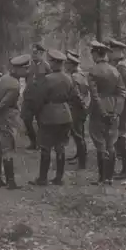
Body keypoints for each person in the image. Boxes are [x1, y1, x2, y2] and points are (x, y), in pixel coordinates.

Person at [29, 49, 84, 186]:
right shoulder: (69, 78)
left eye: (51, 61)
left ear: (53, 63)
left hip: (49, 115)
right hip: (65, 115)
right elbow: (76, 97)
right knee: (60, 147)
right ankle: (59, 178)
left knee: (46, 147)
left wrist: (36, 112)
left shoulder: (46, 79)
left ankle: (43, 178)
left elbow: (39, 99)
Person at [0, 54, 31, 190]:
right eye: (25, 69)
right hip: (5, 118)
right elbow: (4, 104)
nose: (27, 72)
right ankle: (10, 181)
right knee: (8, 149)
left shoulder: (3, 78)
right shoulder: (15, 85)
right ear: (18, 69)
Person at [87, 41, 126, 186]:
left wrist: (101, 111)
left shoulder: (93, 71)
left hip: (99, 110)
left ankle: (102, 177)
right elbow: (122, 93)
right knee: (111, 143)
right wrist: (117, 111)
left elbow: (95, 95)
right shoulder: (115, 70)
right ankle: (109, 178)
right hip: (113, 108)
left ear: (96, 54)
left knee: (100, 143)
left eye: (92, 53)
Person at [106, 38, 126, 180]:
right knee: (122, 135)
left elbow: (124, 89)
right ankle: (125, 169)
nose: (109, 54)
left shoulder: (121, 67)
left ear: (118, 51)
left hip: (123, 104)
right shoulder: (124, 64)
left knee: (123, 136)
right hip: (124, 103)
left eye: (111, 51)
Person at [21, 43, 51, 150]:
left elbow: (50, 81)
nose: (33, 55)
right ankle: (33, 141)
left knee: (41, 121)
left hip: (40, 99)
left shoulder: (46, 66)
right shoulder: (28, 66)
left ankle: (42, 143)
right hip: (29, 97)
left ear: (41, 53)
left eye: (36, 53)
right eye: (32, 53)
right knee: (26, 118)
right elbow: (26, 79)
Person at [64, 50, 90, 170]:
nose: (65, 65)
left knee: (78, 135)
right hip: (81, 108)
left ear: (72, 64)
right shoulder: (81, 75)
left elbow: (77, 95)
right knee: (79, 134)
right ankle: (80, 156)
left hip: (76, 108)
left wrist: (82, 106)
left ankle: (82, 162)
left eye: (67, 63)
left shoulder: (74, 77)